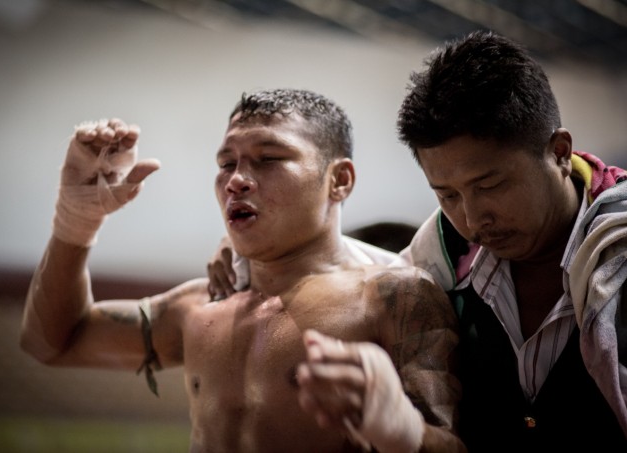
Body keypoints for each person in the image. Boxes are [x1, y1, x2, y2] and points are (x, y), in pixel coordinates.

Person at [206, 32, 627, 452]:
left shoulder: (619, 255)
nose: (472, 216)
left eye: (491, 184)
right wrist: (252, 243)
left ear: (558, 151)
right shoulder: (440, 257)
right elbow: (361, 267)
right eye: (446, 194)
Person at [19, 89, 466, 452]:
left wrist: (403, 431)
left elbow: (452, 443)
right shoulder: (198, 307)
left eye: (269, 158)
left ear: (339, 180)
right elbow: (53, 343)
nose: (236, 179)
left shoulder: (394, 297)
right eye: (226, 163)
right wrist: (74, 222)